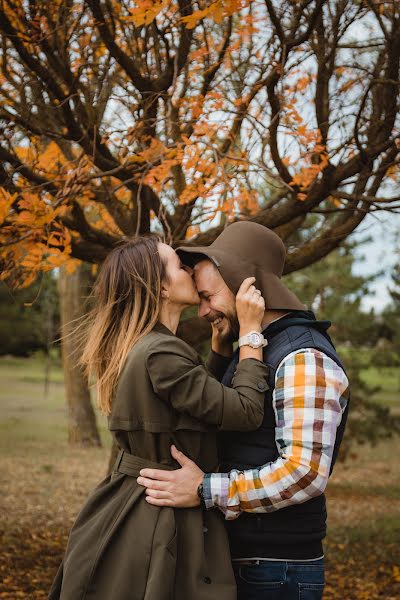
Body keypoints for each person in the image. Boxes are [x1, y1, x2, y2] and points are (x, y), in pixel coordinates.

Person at [48, 235, 271, 600]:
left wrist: (219, 351)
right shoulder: (161, 351)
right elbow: (246, 412)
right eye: (177, 265)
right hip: (160, 516)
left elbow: (192, 411)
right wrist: (251, 333)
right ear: (160, 287)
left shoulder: (145, 344)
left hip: (136, 504)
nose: (188, 270)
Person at [138, 221, 350, 600]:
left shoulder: (303, 358)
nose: (203, 311)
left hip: (277, 566)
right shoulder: (256, 346)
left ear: (246, 284)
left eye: (207, 296)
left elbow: (304, 473)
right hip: (249, 557)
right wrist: (221, 356)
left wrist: (204, 489)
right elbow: (222, 417)